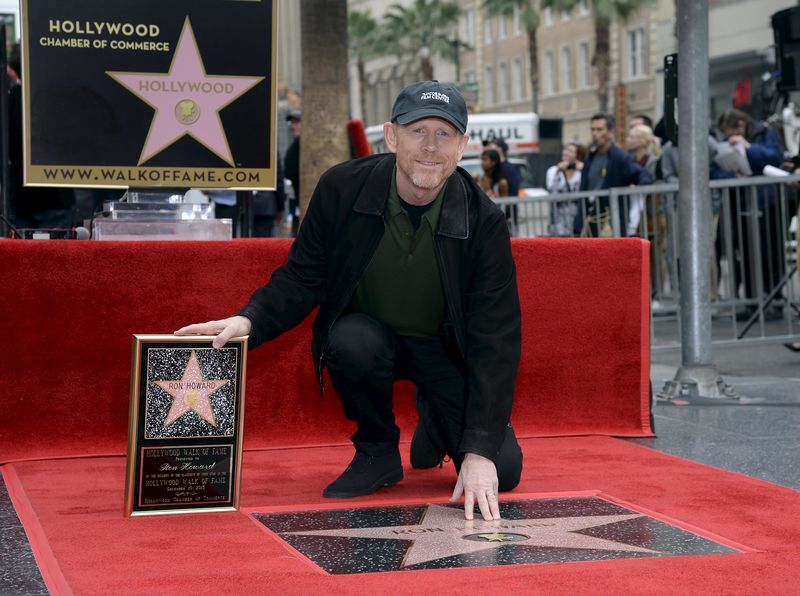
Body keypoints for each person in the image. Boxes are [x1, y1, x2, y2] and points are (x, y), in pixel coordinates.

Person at [175, 80, 523, 522]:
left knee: (503, 469)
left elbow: (497, 336)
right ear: (391, 135)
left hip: (444, 351)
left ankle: (435, 419)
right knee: (350, 340)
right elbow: (303, 276)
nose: (430, 148)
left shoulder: (485, 221)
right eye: (418, 131)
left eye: (445, 134)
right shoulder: (342, 189)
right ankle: (377, 451)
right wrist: (250, 320)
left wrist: (477, 450)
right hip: (369, 337)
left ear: (463, 146)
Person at [716, 108, 784, 314]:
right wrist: (732, 176)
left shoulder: (763, 132)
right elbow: (716, 171)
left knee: (770, 252)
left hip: (766, 201)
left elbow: (775, 157)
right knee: (746, 253)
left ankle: (775, 298)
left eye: (730, 134)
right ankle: (752, 300)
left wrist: (748, 147)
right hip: (742, 203)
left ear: (741, 126)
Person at [575, 113, 653, 237]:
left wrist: (642, 183)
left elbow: (640, 173)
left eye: (599, 129)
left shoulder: (620, 157)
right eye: (593, 129)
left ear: (610, 132)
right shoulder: (591, 157)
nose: (595, 133)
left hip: (613, 215)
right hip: (592, 214)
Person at [545, 142, 585, 236]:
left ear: (577, 155)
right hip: (557, 217)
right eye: (565, 150)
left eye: (570, 151)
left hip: (576, 217)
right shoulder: (552, 170)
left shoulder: (581, 173)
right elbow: (551, 190)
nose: (566, 153)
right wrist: (558, 172)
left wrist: (584, 169)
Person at [283, 109, 302, 235]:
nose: (293, 126)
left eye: (297, 122)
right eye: (292, 123)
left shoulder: (301, 144)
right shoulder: (296, 144)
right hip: (297, 201)